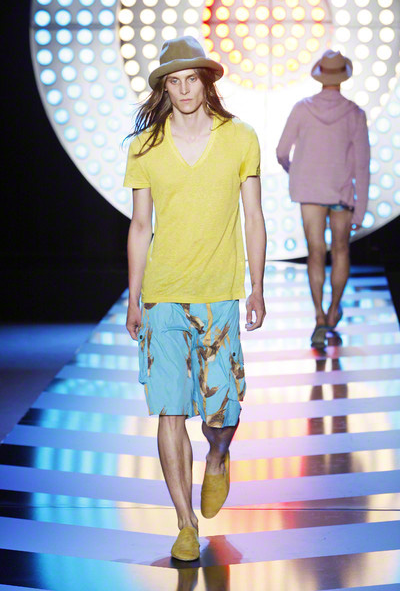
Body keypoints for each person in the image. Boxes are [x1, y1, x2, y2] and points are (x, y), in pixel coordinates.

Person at [123, 36, 266, 561]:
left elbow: (253, 216)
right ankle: (185, 524)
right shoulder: (145, 147)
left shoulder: (240, 137)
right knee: (169, 411)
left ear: (207, 83)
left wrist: (257, 286)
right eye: (174, 81)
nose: (183, 89)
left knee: (221, 414)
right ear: (164, 88)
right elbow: (140, 225)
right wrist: (135, 297)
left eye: (191, 79)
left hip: (220, 295)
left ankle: (218, 457)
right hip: (163, 297)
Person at [276, 49, 370, 349]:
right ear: (343, 77)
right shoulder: (355, 114)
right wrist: (360, 210)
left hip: (310, 192)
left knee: (315, 252)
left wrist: (296, 171)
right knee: (341, 251)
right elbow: (362, 165)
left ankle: (318, 316)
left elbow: (281, 151)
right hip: (341, 193)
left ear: (320, 75)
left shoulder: (302, 109)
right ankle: (332, 310)